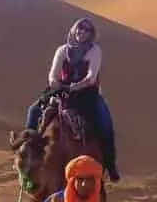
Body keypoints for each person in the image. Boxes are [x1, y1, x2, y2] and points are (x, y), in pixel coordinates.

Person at [24, 17, 121, 182]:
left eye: (86, 30)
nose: (81, 32)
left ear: (91, 34)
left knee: (105, 123)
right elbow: (52, 75)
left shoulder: (94, 50)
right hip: (61, 90)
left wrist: (74, 87)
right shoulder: (62, 50)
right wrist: (56, 84)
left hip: (86, 93)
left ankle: (110, 164)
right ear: (73, 30)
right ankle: (27, 153)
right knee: (33, 111)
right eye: (79, 29)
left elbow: (91, 77)